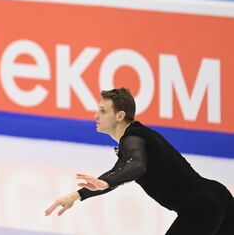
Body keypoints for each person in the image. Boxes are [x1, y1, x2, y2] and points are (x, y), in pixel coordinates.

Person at [45, 88, 234, 235]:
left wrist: (107, 182)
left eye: (102, 111)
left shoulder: (132, 139)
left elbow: (137, 165)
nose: (96, 116)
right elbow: (120, 171)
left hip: (201, 206)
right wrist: (77, 195)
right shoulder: (138, 136)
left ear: (119, 116)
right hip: (218, 196)